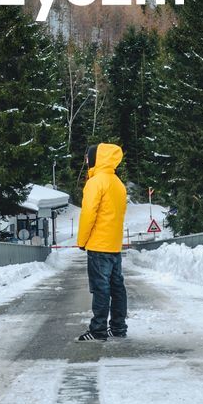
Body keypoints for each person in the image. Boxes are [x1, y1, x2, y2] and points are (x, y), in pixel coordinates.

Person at [76, 142, 128, 341]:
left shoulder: (96, 182)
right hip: (114, 245)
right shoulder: (118, 183)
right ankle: (118, 327)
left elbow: (89, 213)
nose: (87, 160)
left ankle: (98, 330)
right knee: (117, 288)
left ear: (97, 158)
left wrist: (82, 241)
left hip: (98, 245)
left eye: (88, 157)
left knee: (101, 288)